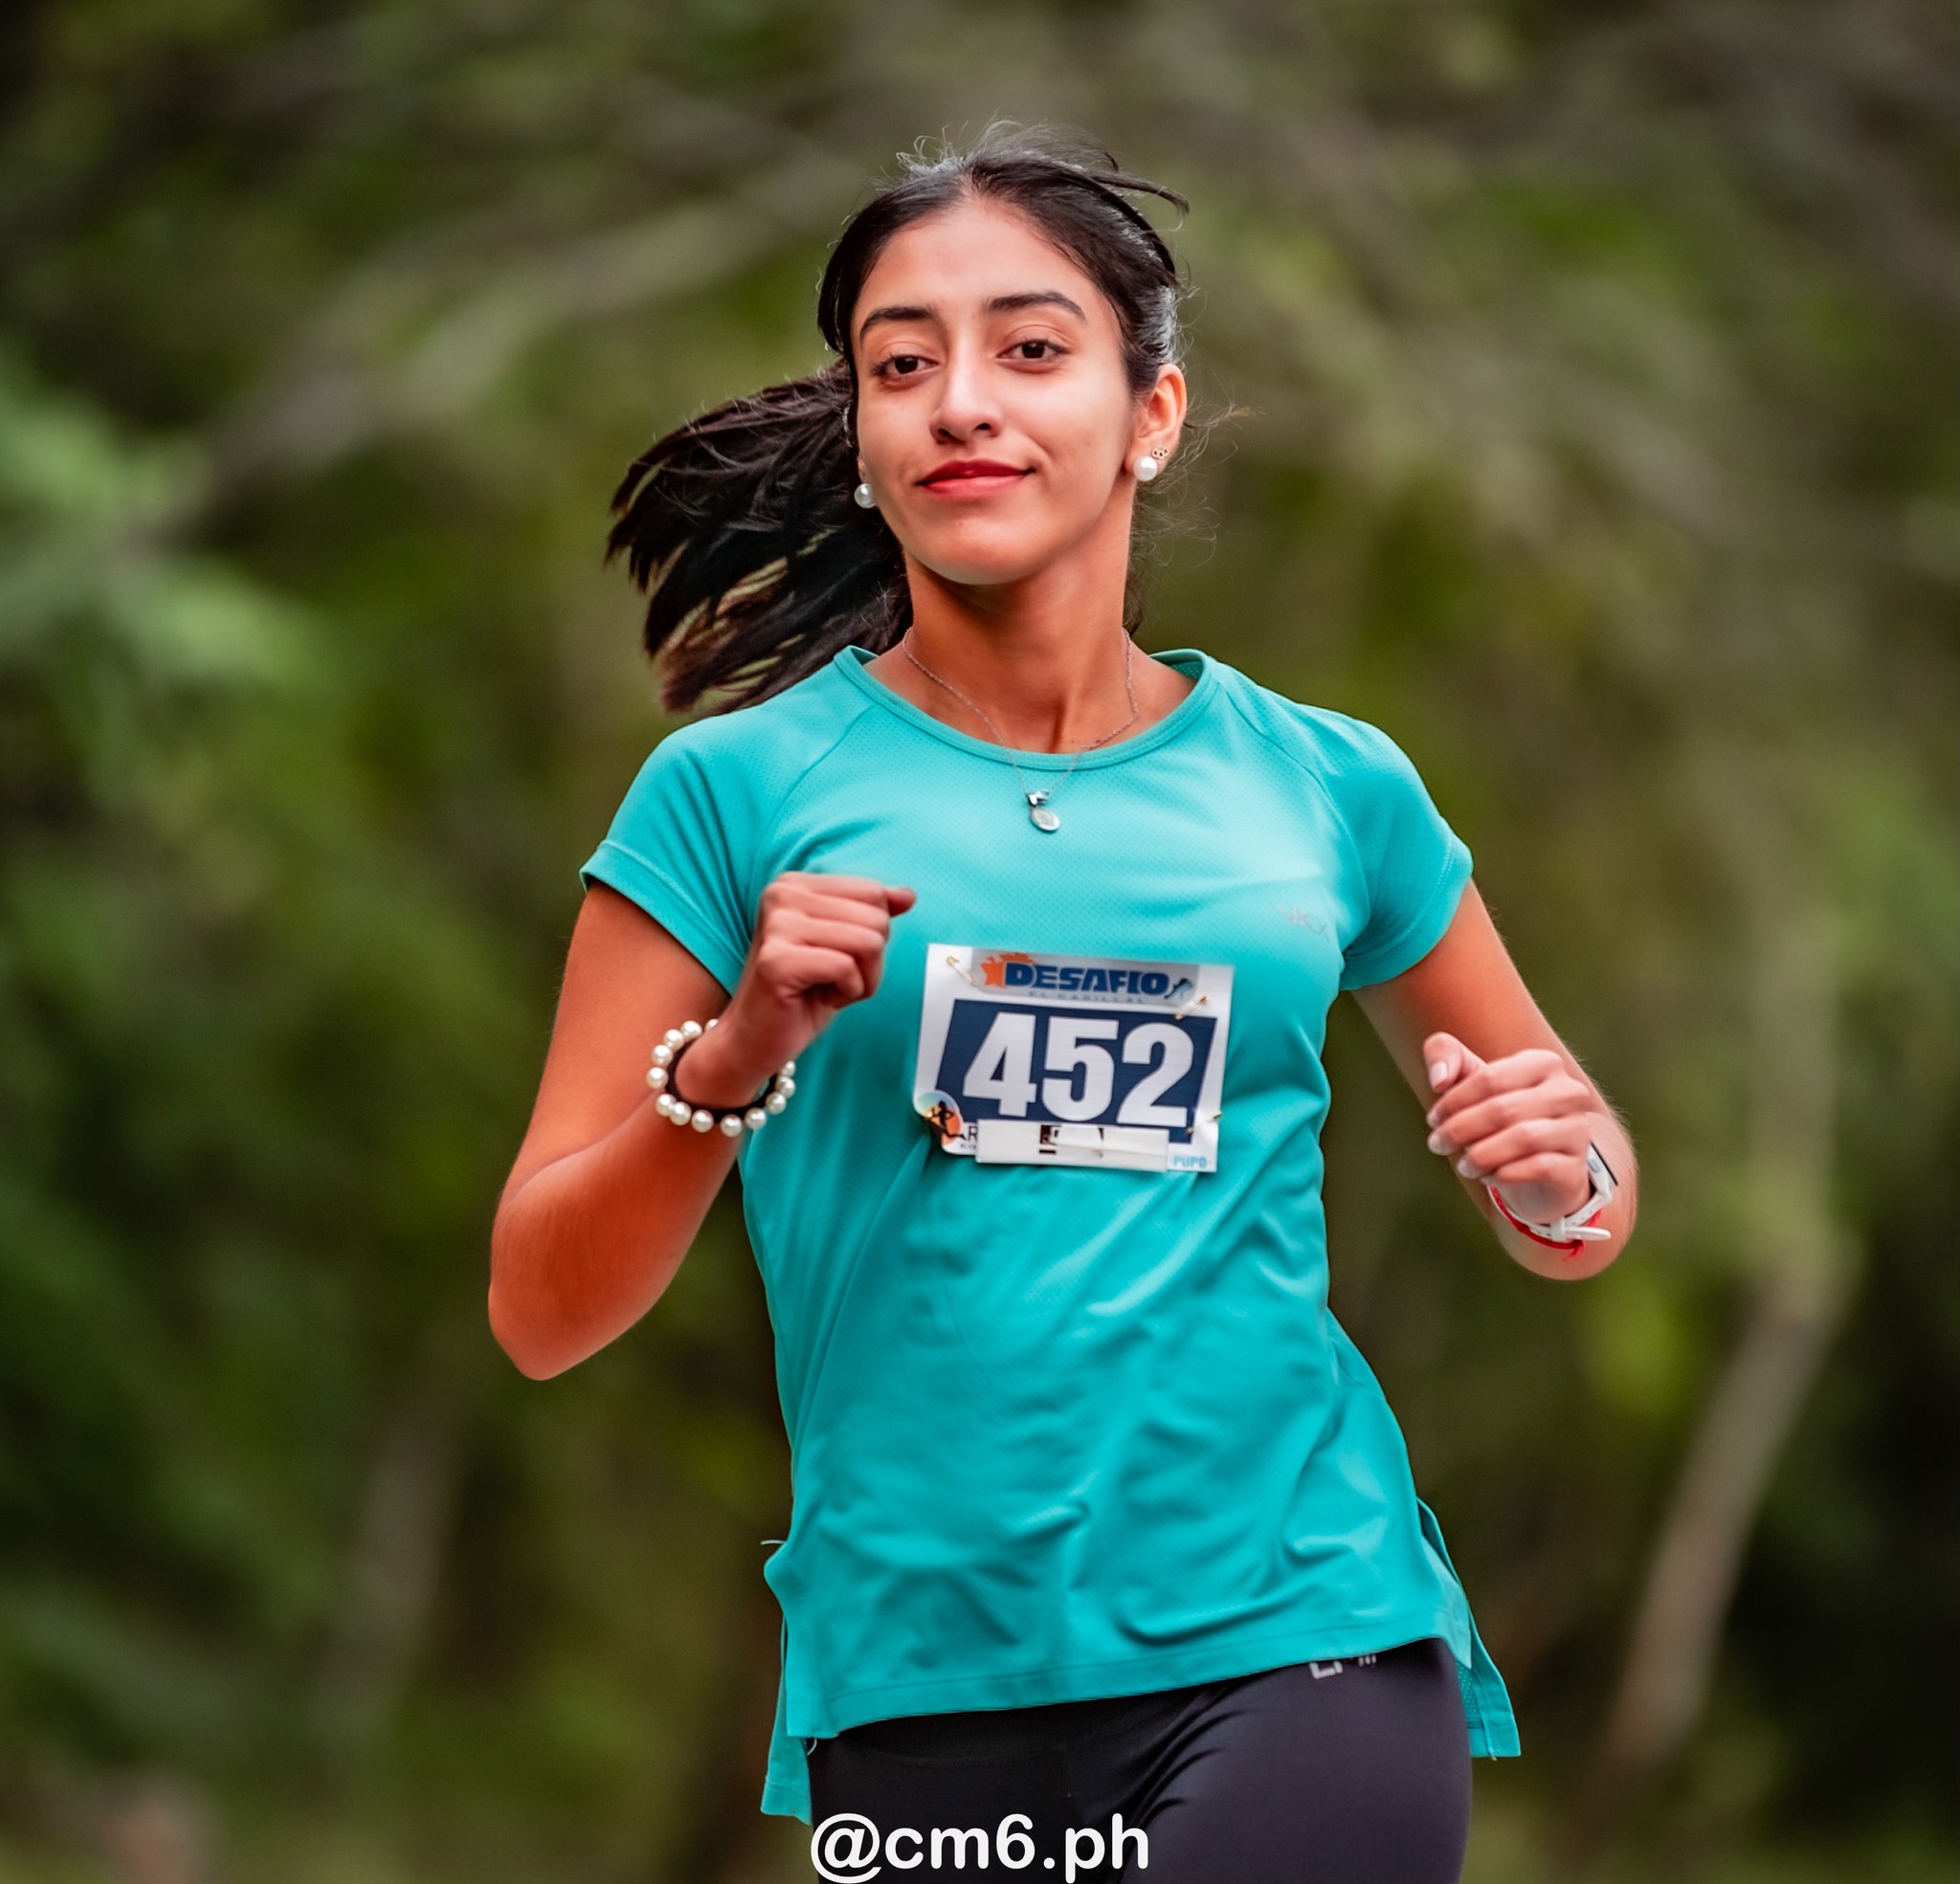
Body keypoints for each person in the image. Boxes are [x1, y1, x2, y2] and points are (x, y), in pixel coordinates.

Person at [487, 128, 1638, 1884]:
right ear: (865, 436)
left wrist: (1562, 1175)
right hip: (924, 1674)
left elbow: (1575, 1184)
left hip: (1300, 1617)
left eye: (1031, 348)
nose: (961, 400)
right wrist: (728, 1069)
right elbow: (541, 1307)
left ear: (1150, 413)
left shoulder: (1330, 788)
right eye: (901, 363)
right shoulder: (733, 798)